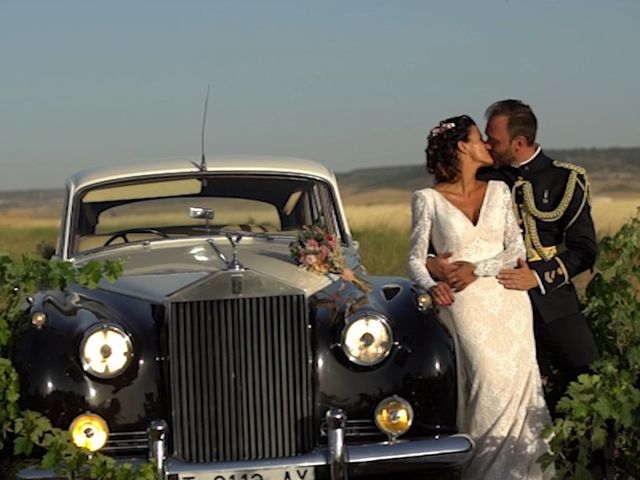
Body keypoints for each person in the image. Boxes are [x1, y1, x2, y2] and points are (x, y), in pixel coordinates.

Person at [428, 100, 600, 411]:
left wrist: (536, 276)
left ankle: (584, 457)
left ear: (518, 142)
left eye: (494, 140)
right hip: (493, 299)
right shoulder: (483, 180)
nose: (488, 146)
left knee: (589, 375)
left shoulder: (565, 180)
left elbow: (585, 250)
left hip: (551, 298)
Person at [409, 115, 553, 479]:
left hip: (509, 299)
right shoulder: (427, 199)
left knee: (522, 386)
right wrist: (430, 282)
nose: (487, 145)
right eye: (479, 139)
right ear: (462, 147)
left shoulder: (499, 192)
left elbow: (514, 251)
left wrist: (476, 268)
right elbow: (413, 258)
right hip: (466, 306)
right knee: (488, 381)